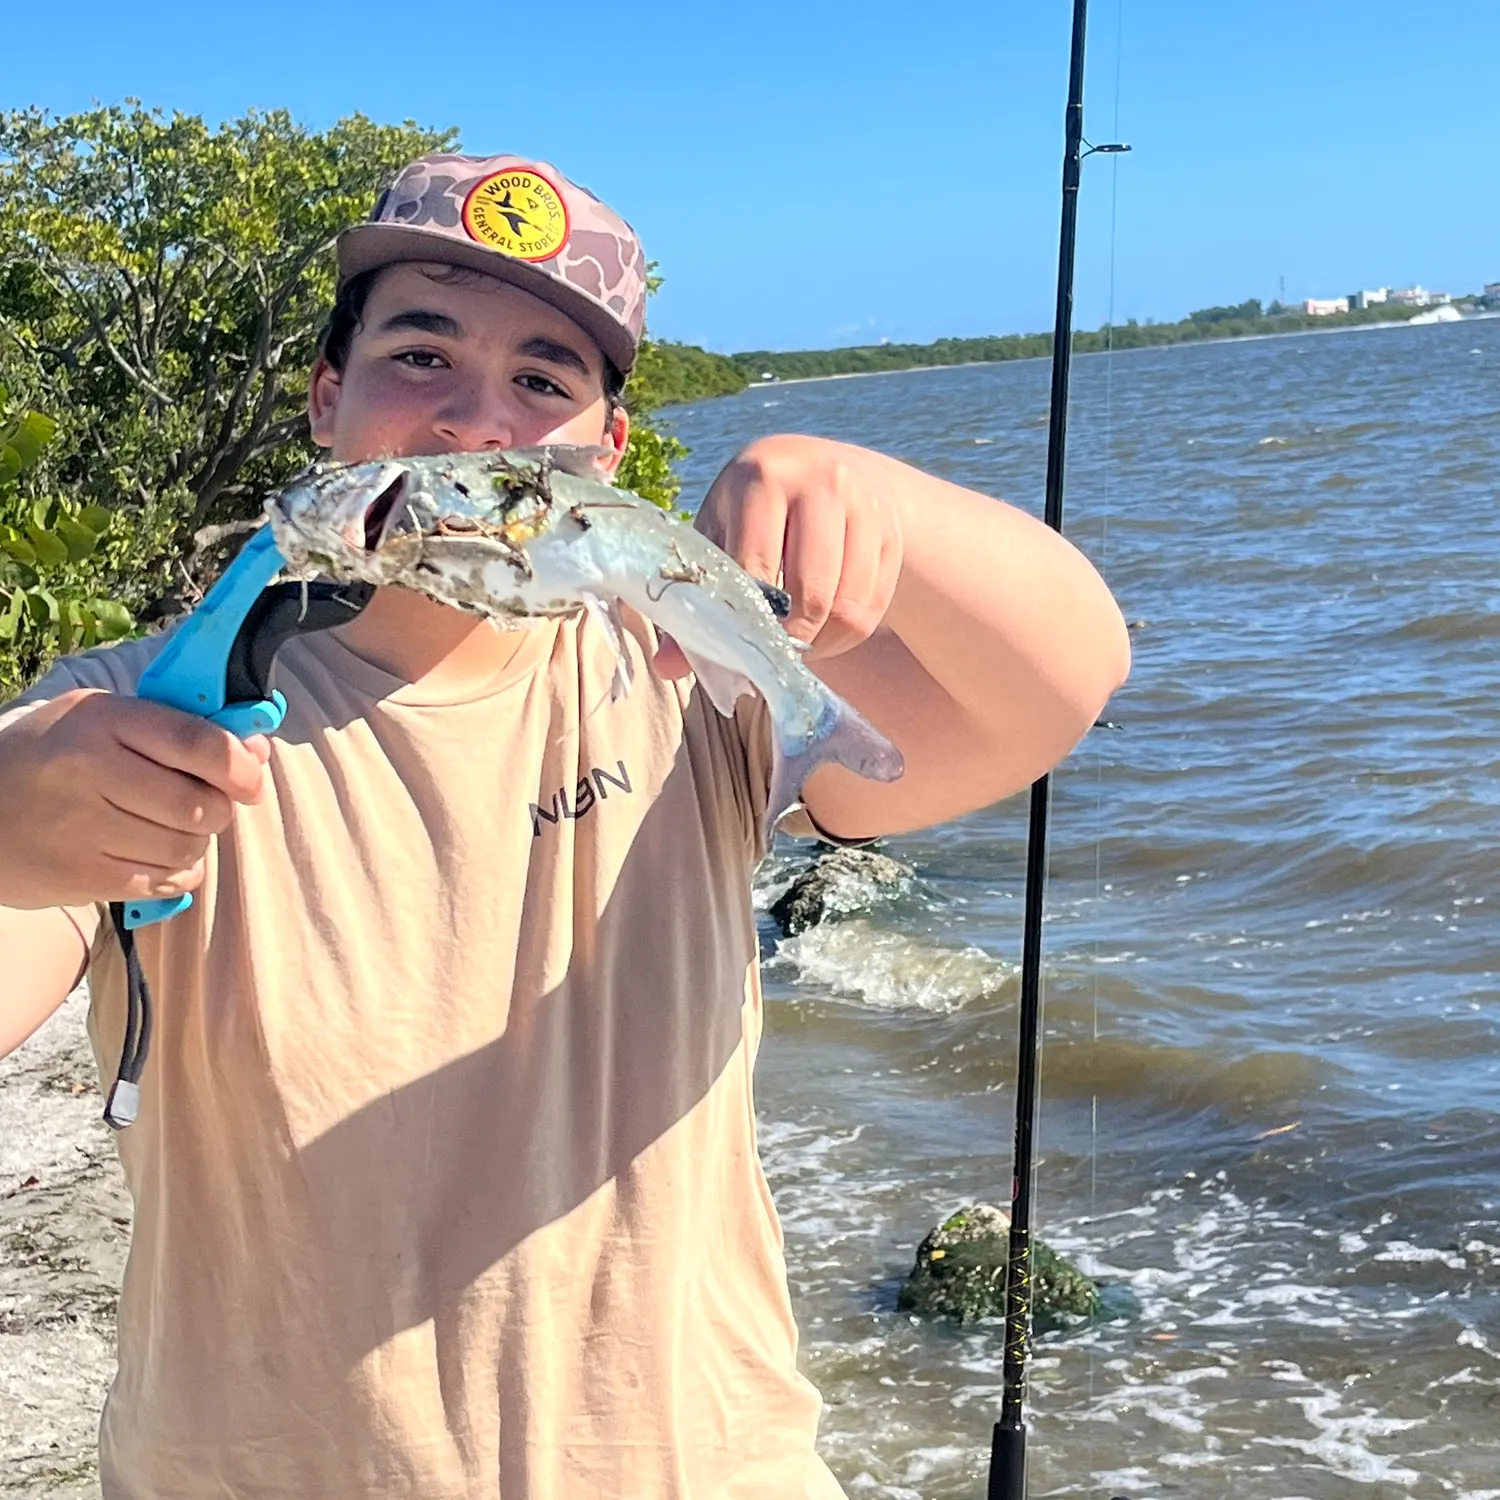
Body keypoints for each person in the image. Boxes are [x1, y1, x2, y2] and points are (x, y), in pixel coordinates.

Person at [0, 153, 1130, 1498]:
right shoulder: (133, 713)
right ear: (327, 404)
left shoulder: (691, 685)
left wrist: (888, 513)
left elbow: (1065, 682)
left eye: (543, 382)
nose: (477, 422)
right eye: (420, 355)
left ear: (603, 455)